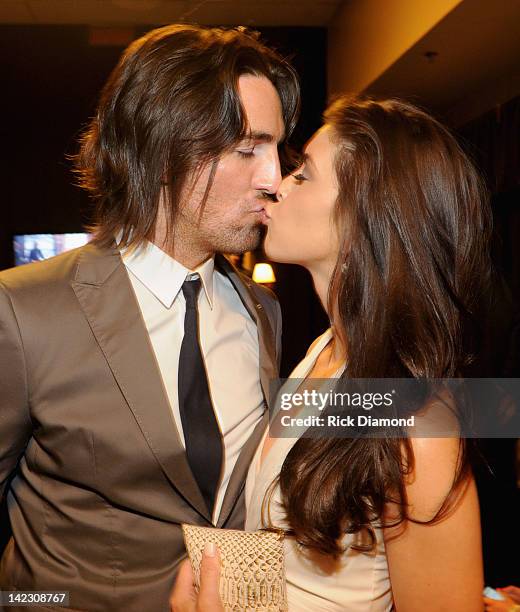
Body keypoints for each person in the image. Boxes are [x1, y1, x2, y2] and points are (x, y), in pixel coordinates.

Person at [0, 24, 299, 611]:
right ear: (164, 151)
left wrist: (470, 405)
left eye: (277, 150)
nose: (274, 179)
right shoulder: (22, 310)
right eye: (248, 149)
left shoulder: (263, 310)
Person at [171, 96, 491, 611]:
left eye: (303, 175)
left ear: (363, 213)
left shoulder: (418, 427)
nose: (276, 184)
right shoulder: (322, 353)